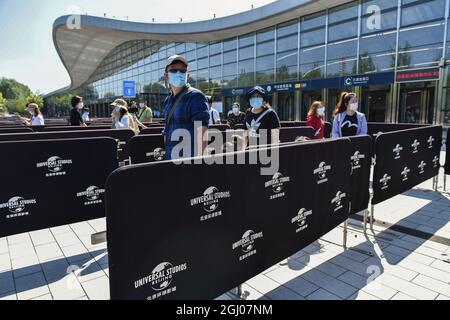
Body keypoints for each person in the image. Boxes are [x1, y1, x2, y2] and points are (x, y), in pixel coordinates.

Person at [163, 55, 209, 160]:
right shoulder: (167, 100)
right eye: (173, 70)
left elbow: (202, 132)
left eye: (182, 71)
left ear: (187, 75)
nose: (178, 73)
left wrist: (199, 162)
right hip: (170, 159)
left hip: (189, 163)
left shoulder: (196, 96)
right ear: (166, 76)